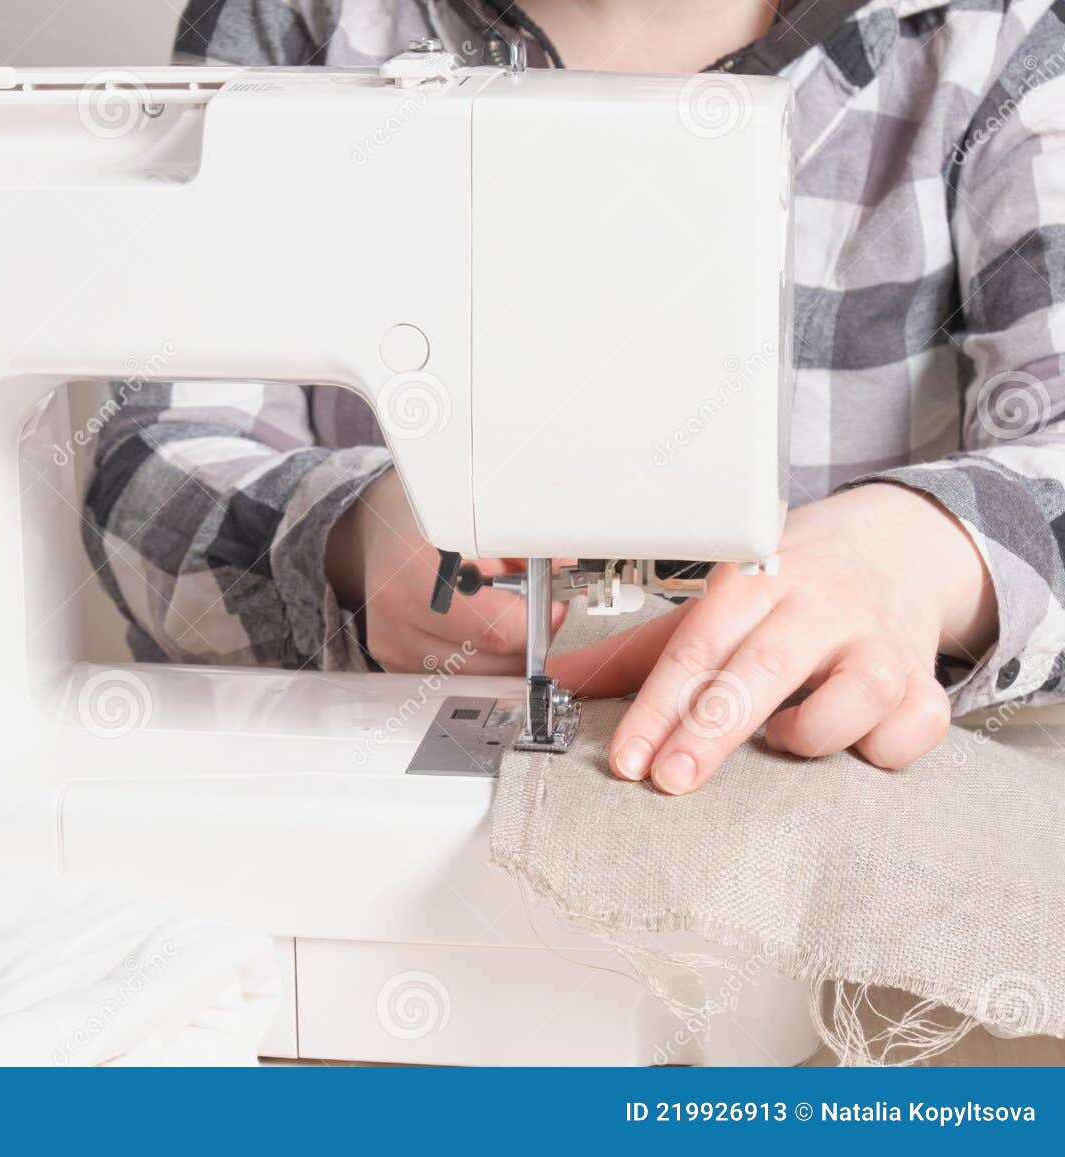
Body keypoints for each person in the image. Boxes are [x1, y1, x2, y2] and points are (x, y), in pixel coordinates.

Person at [83, 0, 1065, 796]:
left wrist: (927, 552)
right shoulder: (292, 24)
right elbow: (153, 460)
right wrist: (345, 540)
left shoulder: (995, 39)